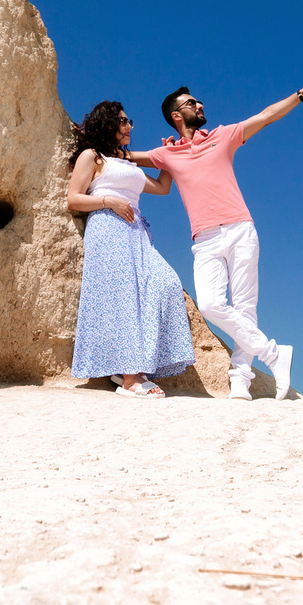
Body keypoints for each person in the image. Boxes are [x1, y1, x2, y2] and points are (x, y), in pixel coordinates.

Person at [129, 73, 303, 401]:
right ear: (176, 116)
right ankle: (275, 354)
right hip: (205, 239)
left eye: (198, 100)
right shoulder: (167, 155)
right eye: (191, 102)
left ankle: (240, 380)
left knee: (245, 307)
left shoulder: (222, 136)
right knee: (210, 304)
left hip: (240, 229)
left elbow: (265, 116)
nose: (199, 104)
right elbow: (124, 157)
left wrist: (301, 95)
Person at [64, 101, 195, 397]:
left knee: (166, 283)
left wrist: (170, 159)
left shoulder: (127, 163)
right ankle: (130, 378)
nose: (130, 126)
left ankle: (128, 367)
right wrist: (108, 201)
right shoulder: (92, 157)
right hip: (107, 228)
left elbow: (162, 187)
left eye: (129, 120)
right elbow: (73, 198)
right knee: (124, 298)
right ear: (108, 124)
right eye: (124, 121)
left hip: (136, 233)